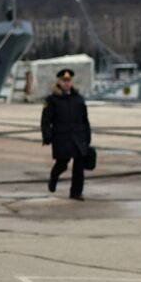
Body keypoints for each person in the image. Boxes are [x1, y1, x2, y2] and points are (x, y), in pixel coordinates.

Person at [41, 67, 91, 200]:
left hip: (78, 137)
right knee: (62, 163)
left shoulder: (78, 99)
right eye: (64, 81)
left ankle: (76, 193)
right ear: (59, 82)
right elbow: (46, 120)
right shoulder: (52, 100)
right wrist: (47, 136)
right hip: (62, 138)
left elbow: (85, 120)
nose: (67, 83)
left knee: (79, 167)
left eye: (68, 81)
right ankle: (54, 176)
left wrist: (88, 137)